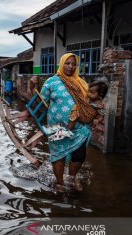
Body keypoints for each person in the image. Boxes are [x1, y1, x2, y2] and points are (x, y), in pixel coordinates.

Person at [38, 53, 96, 193]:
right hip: (58, 126)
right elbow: (40, 102)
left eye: (73, 64)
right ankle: (59, 182)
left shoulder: (81, 83)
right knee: (59, 156)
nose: (70, 66)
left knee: (79, 155)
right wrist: (31, 87)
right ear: (61, 63)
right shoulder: (51, 82)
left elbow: (90, 102)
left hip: (79, 126)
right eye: (67, 63)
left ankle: (71, 177)